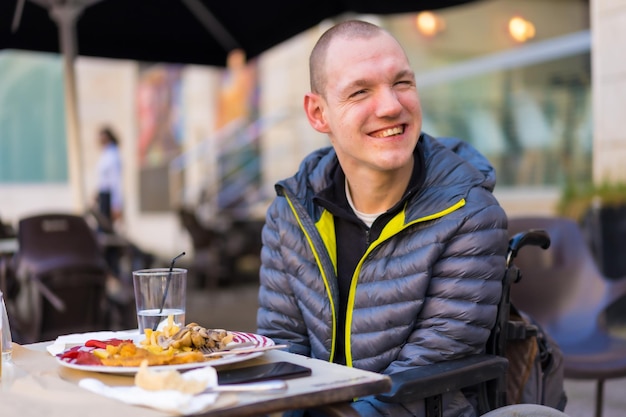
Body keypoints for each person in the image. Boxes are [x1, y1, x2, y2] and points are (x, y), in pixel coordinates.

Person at [256, 20, 509, 417]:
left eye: (402, 83)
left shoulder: (469, 214)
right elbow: (282, 349)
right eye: (360, 91)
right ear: (318, 113)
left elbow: (423, 373)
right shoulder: (291, 213)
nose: (391, 106)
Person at [96, 126, 124, 225]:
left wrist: (116, 205)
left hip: (109, 196)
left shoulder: (113, 155)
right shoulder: (105, 154)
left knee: (107, 227)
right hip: (103, 195)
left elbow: (115, 181)